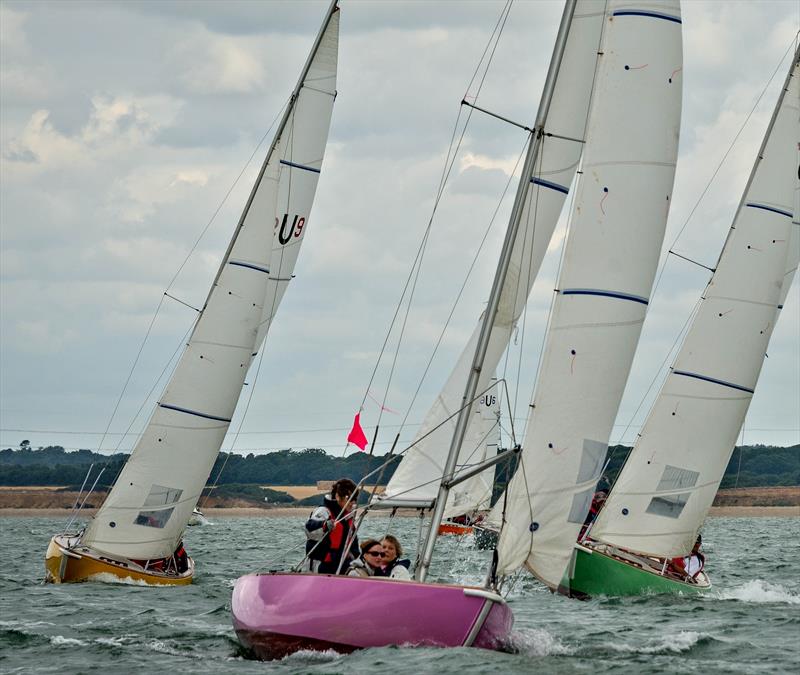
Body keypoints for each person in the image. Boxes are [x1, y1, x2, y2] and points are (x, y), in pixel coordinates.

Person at [305, 478, 360, 574]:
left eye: (355, 499)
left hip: (341, 563)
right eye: (349, 498)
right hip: (321, 564)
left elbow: (353, 543)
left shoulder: (348, 517)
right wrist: (325, 525)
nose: (353, 502)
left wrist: (355, 558)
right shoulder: (323, 511)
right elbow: (309, 530)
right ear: (338, 496)